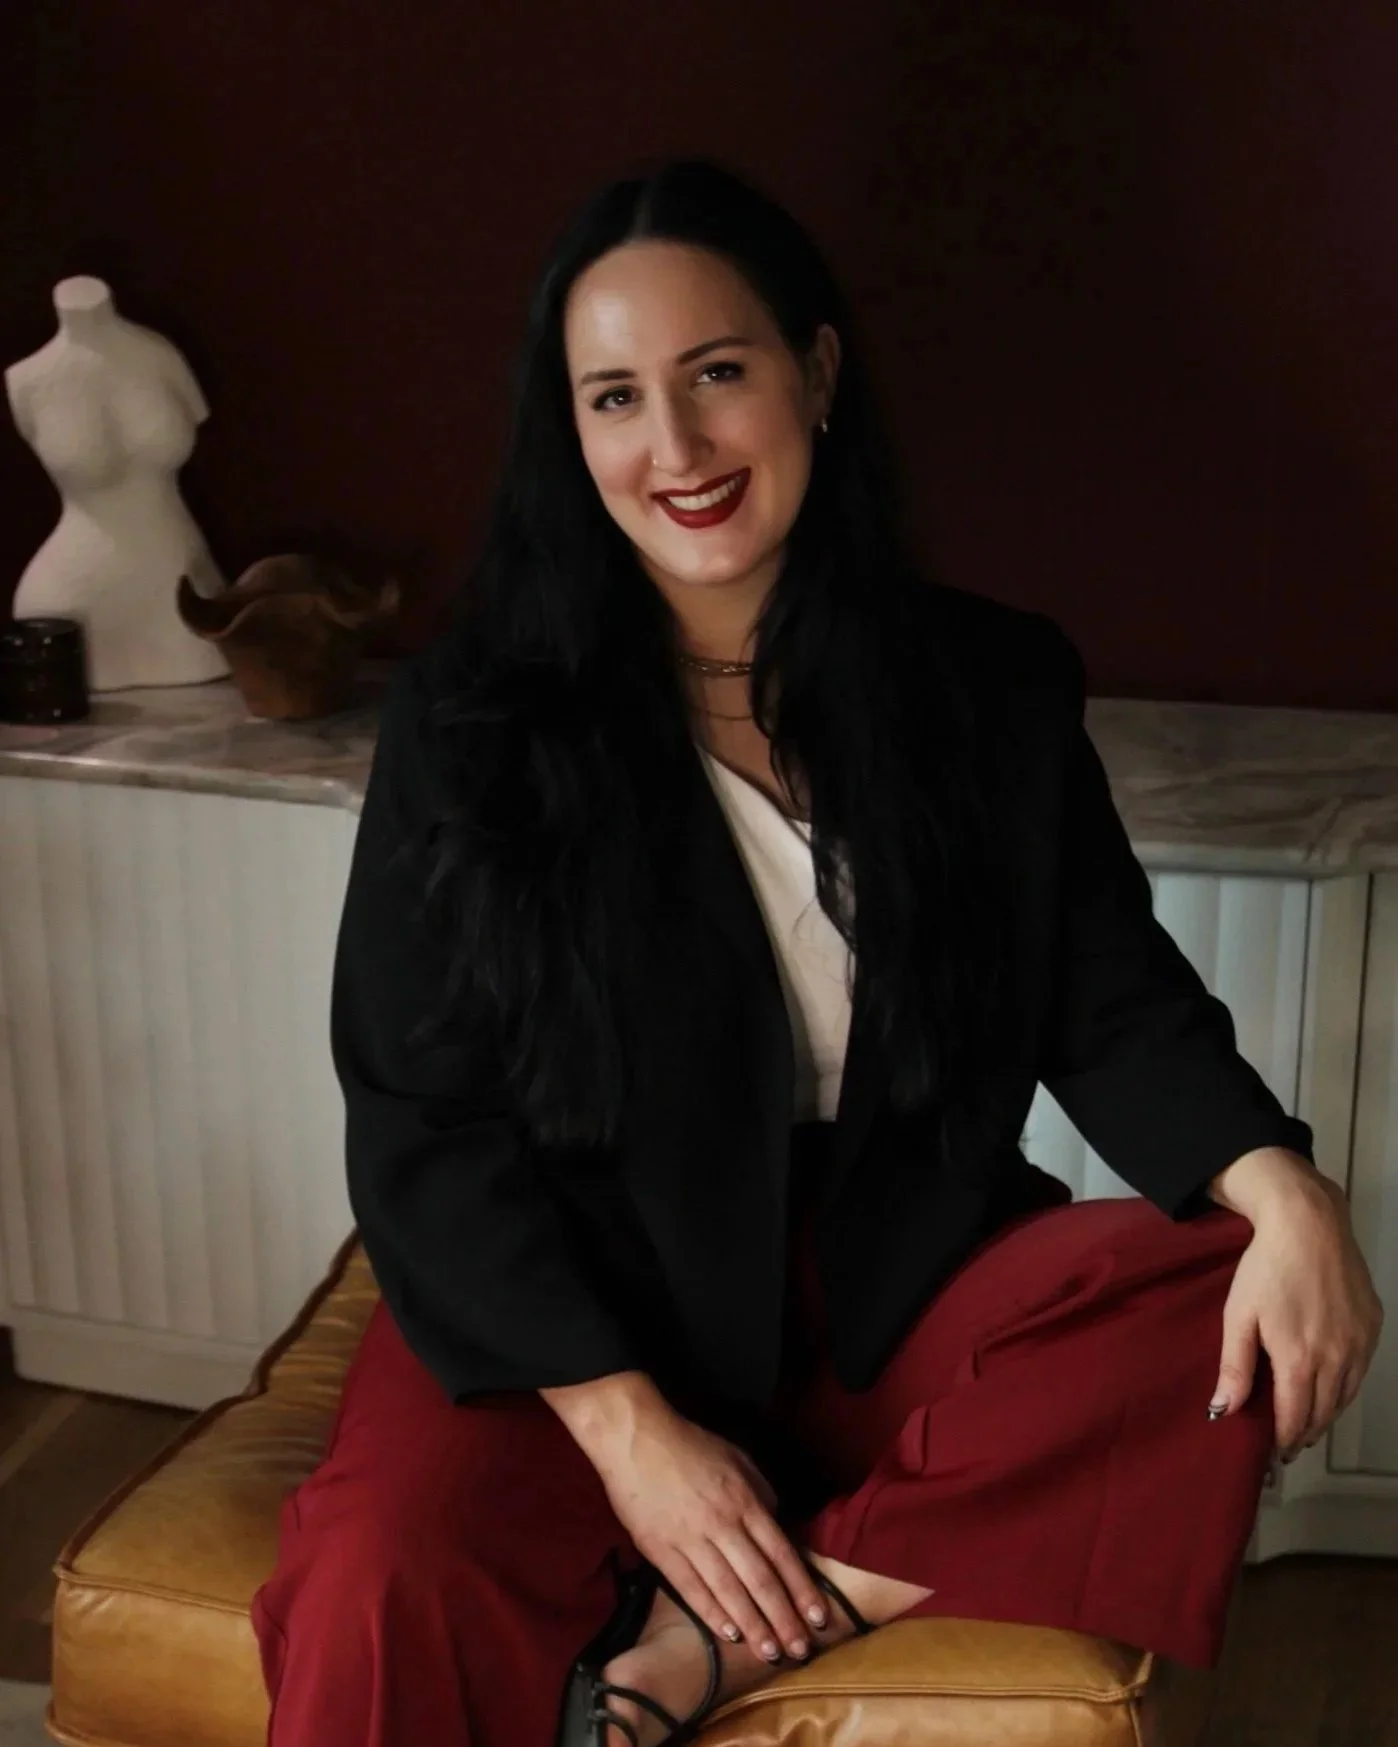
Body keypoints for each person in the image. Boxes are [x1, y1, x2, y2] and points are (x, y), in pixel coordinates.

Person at [250, 159, 1383, 1747]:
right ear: (570, 436)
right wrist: (627, 1430)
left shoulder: (988, 684)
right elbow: (420, 1116)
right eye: (615, 398)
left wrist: (1286, 1186)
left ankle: (730, 1636)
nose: (675, 446)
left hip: (890, 1272)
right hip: (584, 1295)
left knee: (1216, 1286)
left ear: (817, 373)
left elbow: (1105, 994)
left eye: (717, 372)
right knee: (380, 1575)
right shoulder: (472, 720)